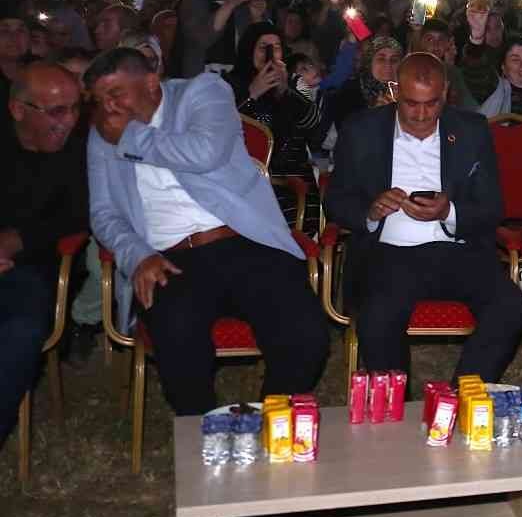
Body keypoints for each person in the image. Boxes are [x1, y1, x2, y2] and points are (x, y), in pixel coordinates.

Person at [85, 49, 327, 415]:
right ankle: (203, 435)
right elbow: (103, 213)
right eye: (100, 100)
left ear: (151, 82)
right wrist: (137, 255)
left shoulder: (202, 92)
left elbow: (204, 153)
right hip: (168, 257)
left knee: (305, 333)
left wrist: (130, 138)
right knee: (178, 337)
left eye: (116, 94)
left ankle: (266, 423)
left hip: (243, 240)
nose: (109, 107)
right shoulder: (103, 130)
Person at [324, 54, 522, 386]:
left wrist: (450, 212)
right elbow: (336, 200)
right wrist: (372, 212)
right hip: (388, 252)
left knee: (510, 310)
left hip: (456, 250)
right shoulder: (361, 130)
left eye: (431, 104)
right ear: (394, 91)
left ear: (446, 92)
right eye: (410, 104)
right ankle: (396, 414)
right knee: (377, 318)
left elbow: (492, 207)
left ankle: (460, 398)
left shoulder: (471, 130)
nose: (420, 114)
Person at [1, 63, 88, 448]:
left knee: (21, 331)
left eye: (74, 108)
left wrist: (16, 241)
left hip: (31, 269)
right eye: (56, 111)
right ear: (18, 109)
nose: (68, 121)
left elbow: (80, 214)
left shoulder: (80, 148)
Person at [230, 23, 322, 228]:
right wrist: (251, 95)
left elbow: (313, 125)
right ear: (249, 50)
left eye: (277, 47)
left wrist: (283, 91)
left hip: (294, 181)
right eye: (264, 47)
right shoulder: (231, 85)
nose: (271, 54)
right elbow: (224, 132)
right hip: (249, 181)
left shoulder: (295, 83)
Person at [330, 34, 402, 126]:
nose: (388, 65)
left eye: (394, 60)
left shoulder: (407, 92)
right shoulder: (350, 90)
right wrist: (374, 114)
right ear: (369, 62)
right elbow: (345, 130)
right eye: (381, 59)